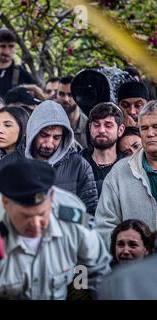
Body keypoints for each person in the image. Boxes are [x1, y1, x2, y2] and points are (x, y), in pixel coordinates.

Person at [0, 159, 111, 300]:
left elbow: (100, 274)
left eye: (42, 214)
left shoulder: (73, 220)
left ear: (52, 198)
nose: (35, 224)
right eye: (25, 216)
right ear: (6, 203)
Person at [0, 100, 98, 214]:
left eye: (56, 137)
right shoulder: (6, 165)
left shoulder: (79, 166)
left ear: (65, 137)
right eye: (44, 135)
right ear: (32, 132)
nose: (49, 144)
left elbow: (89, 215)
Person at [95, 100, 157, 248]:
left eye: (155, 127)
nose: (150, 133)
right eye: (144, 128)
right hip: (132, 267)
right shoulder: (119, 172)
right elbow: (104, 224)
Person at [80, 102, 125, 196]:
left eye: (108, 126)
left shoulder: (128, 167)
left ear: (120, 130)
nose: (101, 130)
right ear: (89, 127)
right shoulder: (77, 164)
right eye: (96, 125)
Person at [55, 76, 88, 149]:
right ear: (56, 95)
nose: (66, 99)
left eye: (70, 94)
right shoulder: (49, 124)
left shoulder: (90, 127)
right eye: (61, 94)